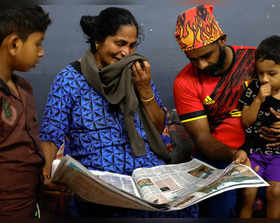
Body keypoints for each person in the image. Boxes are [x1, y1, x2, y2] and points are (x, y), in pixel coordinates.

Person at [40, 7, 198, 218]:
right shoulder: (69, 79)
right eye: (120, 43)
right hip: (99, 181)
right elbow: (51, 133)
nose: (126, 53)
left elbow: (158, 128)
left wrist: (145, 89)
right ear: (98, 41)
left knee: (185, 207)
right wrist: (46, 173)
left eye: (132, 45)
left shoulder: (137, 72)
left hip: (145, 173)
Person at [173, 4, 280, 217]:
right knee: (220, 210)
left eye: (206, 55)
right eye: (193, 59)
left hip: (267, 150)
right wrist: (234, 154)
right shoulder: (184, 82)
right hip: (223, 156)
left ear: (222, 40)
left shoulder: (257, 62)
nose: (201, 65)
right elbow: (203, 139)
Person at [238, 35, 280, 218]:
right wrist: (258, 100)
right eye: (260, 73)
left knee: (275, 192)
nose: (264, 79)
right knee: (248, 192)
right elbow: (246, 121)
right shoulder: (253, 89)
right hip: (255, 151)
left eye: (271, 74)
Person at [0, 3, 51, 219]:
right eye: (37, 44)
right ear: (14, 44)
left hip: (30, 201)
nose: (41, 52)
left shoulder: (24, 88)